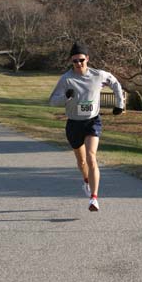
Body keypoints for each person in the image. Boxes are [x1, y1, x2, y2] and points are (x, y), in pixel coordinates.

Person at [49, 42, 124, 212]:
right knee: (81, 160)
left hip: (92, 121)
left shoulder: (98, 75)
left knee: (91, 157)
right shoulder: (66, 79)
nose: (78, 64)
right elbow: (52, 101)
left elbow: (115, 83)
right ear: (71, 61)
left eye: (81, 60)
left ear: (87, 59)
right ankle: (86, 181)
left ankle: (94, 198)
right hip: (74, 123)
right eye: (75, 61)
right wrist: (66, 97)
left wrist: (120, 104)